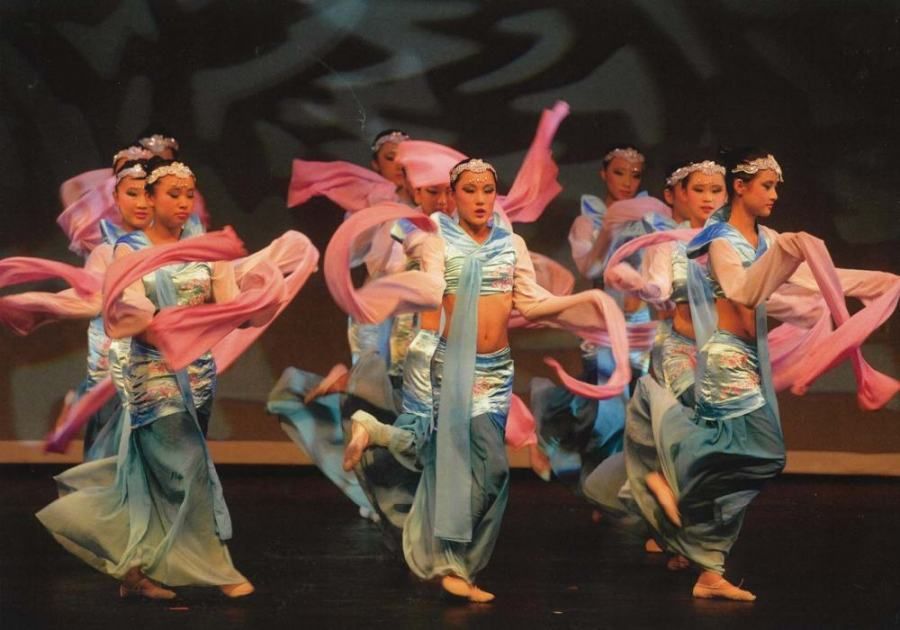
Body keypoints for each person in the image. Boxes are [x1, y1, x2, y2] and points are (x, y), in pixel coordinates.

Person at [343, 158, 631, 602]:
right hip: (446, 362)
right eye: (470, 190)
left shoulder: (511, 243)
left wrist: (587, 300)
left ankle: (376, 432)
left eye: (487, 191)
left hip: (495, 370)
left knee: (488, 468)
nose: (480, 199)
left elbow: (530, 304)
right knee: (448, 459)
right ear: (453, 195)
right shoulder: (437, 239)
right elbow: (431, 288)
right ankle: (453, 565)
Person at [37, 159, 254, 600]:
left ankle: (135, 567)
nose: (183, 202)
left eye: (188, 194)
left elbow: (231, 308)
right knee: (187, 463)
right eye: (172, 194)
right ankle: (217, 568)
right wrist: (180, 329)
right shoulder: (127, 251)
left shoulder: (208, 248)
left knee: (159, 473)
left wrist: (255, 301)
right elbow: (137, 316)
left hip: (198, 373)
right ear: (152, 199)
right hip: (151, 370)